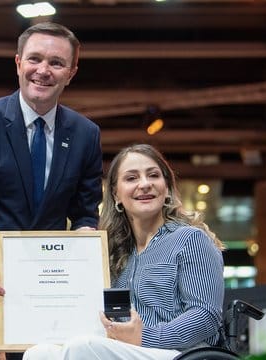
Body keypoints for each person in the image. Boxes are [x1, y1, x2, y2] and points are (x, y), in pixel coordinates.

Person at [0, 22, 103, 360]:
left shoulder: (86, 135)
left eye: (56, 63)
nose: (43, 71)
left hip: (48, 295)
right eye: (34, 59)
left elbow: (85, 211)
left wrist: (86, 245)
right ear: (18, 63)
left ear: (72, 72)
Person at [23, 144, 226, 360]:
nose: (145, 184)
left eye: (153, 175)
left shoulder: (190, 239)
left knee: (82, 347)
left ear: (166, 188)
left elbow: (206, 316)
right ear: (116, 195)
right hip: (124, 349)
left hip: (181, 354)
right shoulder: (112, 250)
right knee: (38, 353)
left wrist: (144, 336)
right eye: (131, 178)